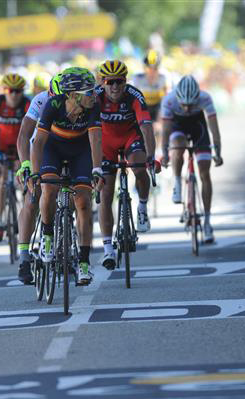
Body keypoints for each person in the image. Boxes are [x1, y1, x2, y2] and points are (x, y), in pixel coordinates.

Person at [28, 67, 104, 285]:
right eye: (90, 92)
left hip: (80, 151)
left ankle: (83, 262)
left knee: (83, 201)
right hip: (53, 148)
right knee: (49, 189)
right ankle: (48, 235)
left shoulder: (92, 107)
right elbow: (39, 142)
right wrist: (35, 173)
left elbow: (96, 140)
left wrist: (97, 169)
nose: (95, 95)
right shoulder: (53, 105)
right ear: (72, 94)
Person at [96, 59, 159, 269]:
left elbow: (147, 128)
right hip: (106, 145)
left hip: (130, 138)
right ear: (103, 82)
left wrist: (150, 157)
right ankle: (107, 250)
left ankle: (142, 207)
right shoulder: (95, 97)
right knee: (105, 194)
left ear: (125, 81)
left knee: (140, 169)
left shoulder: (134, 95)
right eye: (110, 82)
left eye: (119, 82)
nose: (115, 86)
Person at [160, 75, 223, 243]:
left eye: (191, 105)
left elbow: (213, 127)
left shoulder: (205, 98)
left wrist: (218, 150)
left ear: (197, 97)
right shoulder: (169, 100)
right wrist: (165, 153)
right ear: (177, 97)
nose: (187, 109)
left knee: (204, 173)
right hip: (177, 127)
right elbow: (165, 131)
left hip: (198, 128)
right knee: (178, 148)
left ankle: (208, 222)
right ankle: (178, 183)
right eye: (184, 104)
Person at [15, 74, 62, 284]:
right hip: (41, 149)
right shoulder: (40, 100)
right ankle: (24, 257)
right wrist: (25, 165)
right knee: (33, 197)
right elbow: (24, 135)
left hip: (66, 149)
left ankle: (70, 245)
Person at [0, 73, 30, 241]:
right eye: (10, 90)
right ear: (4, 91)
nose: (14, 94)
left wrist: (26, 156)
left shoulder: (27, 103)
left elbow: (34, 130)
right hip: (1, 147)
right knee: (2, 183)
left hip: (21, 148)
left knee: (24, 183)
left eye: (18, 91)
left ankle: (24, 215)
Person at [132, 50, 168, 125]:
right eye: (149, 68)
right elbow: (133, 100)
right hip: (143, 106)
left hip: (157, 107)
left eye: (155, 69)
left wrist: (160, 121)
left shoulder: (163, 78)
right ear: (144, 68)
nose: (152, 71)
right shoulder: (138, 78)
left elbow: (165, 101)